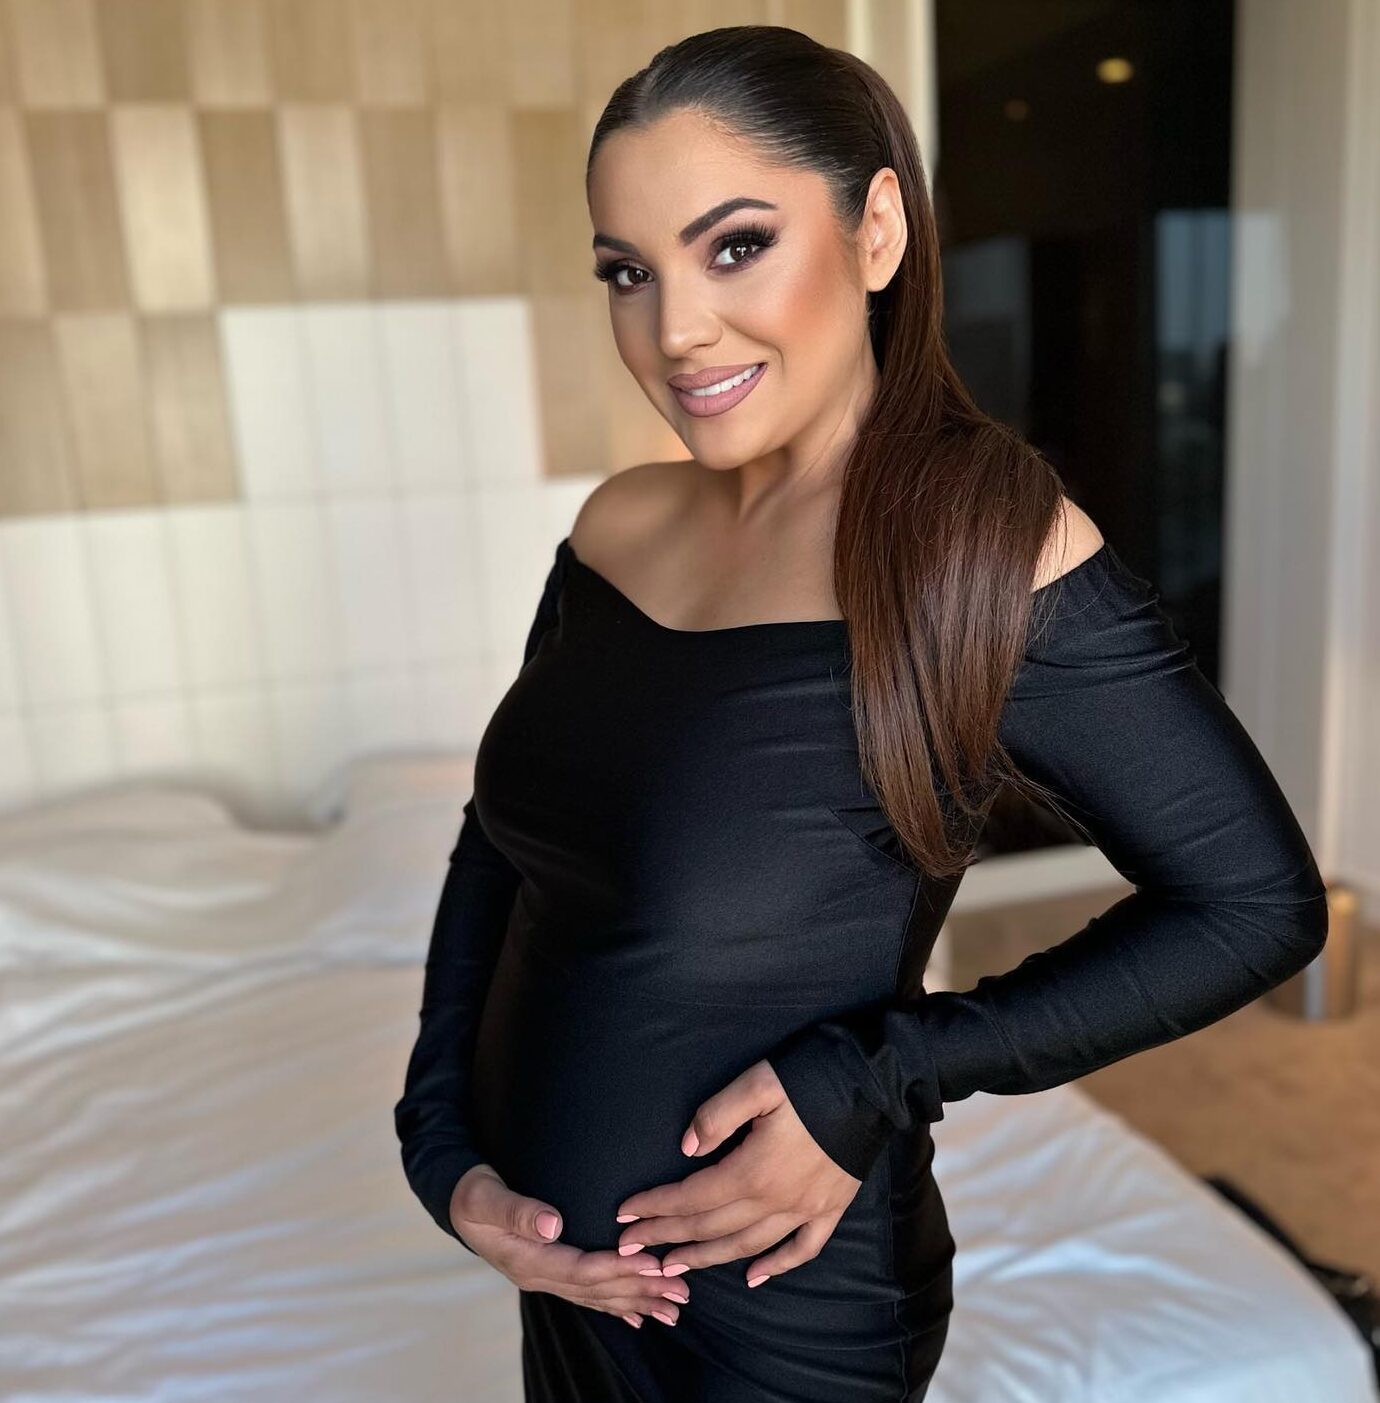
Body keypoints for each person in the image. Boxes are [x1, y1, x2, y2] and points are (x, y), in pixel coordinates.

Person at [394, 25, 1329, 1403]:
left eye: (736, 247)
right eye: (627, 272)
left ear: (877, 228)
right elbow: (504, 849)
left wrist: (879, 1074)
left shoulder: (983, 556)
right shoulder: (617, 526)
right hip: (572, 1300)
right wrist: (443, 1151)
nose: (674, 330)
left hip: (778, 1324)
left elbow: (1253, 905)